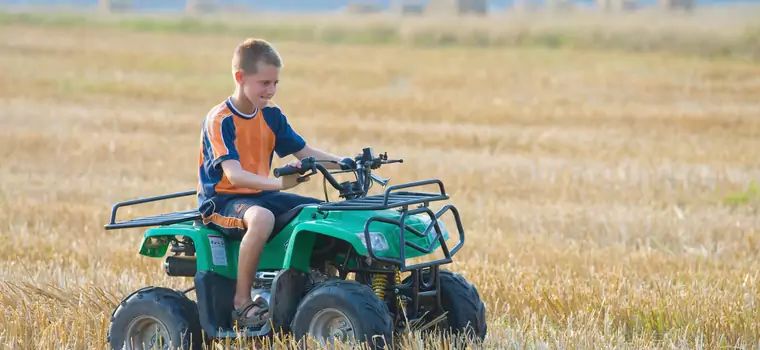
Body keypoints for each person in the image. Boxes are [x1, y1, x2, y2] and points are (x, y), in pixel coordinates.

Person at [196, 38, 352, 327]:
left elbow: (305, 154)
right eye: (264, 83)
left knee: (321, 214)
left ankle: (317, 289)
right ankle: (242, 303)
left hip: (258, 194)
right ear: (240, 77)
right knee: (262, 219)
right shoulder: (220, 119)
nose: (271, 91)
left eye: (275, 83)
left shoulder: (271, 115)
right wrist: (281, 184)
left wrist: (346, 163)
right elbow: (234, 176)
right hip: (222, 201)